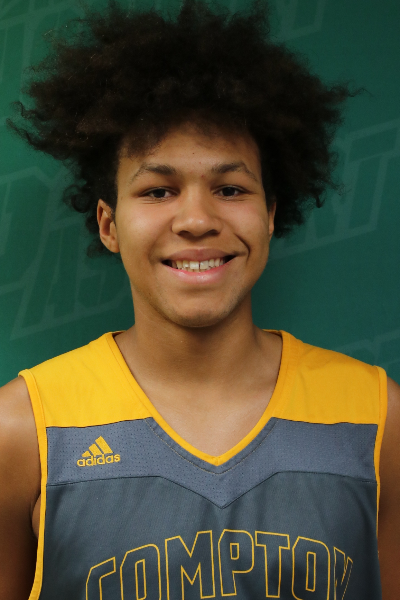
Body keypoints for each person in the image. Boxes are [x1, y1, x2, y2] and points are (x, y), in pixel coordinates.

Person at [0, 1, 399, 598]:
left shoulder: (377, 416)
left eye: (230, 189)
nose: (196, 219)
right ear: (109, 224)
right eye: (158, 190)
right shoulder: (21, 429)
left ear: (270, 216)